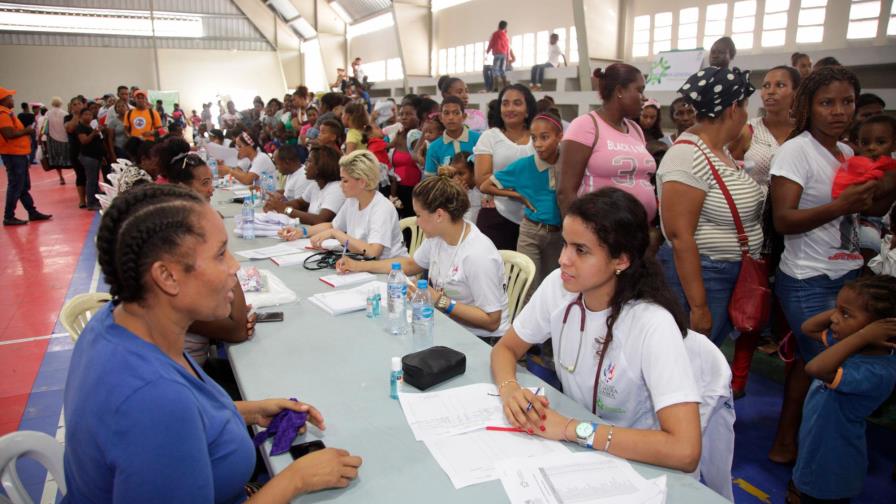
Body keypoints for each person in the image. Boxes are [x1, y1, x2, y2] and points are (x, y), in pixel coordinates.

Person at [64, 184, 362, 502]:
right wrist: (296, 479)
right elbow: (162, 416)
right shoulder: (153, 401)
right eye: (220, 254)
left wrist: (251, 411)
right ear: (167, 276)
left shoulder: (114, 323)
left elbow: (183, 422)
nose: (234, 266)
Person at [489, 188, 701, 472]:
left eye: (581, 250)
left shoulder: (652, 323)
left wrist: (571, 428)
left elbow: (685, 451)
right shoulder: (558, 286)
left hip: (637, 462)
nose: (563, 259)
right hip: (582, 447)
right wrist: (510, 389)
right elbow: (506, 348)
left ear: (621, 260)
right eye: (565, 244)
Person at [767, 65, 896, 464]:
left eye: (847, 102)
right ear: (808, 105)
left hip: (845, 273)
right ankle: (819, 466)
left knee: (808, 365)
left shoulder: (847, 152)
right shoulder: (796, 150)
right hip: (808, 277)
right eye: (827, 103)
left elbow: (865, 210)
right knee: (835, 370)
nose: (839, 111)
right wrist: (841, 205)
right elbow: (783, 220)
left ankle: (787, 443)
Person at [656, 66, 763, 347]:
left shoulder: (719, 150)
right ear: (733, 109)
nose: (746, 115)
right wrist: (699, 306)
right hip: (704, 276)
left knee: (703, 353)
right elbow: (680, 236)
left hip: (721, 273)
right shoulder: (687, 155)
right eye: (745, 107)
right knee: (690, 353)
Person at [336, 175, 510, 341]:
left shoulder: (477, 255)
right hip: (451, 325)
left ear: (439, 215)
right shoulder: (440, 236)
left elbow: (492, 321)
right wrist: (358, 266)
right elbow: (411, 264)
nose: (416, 222)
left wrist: (440, 300)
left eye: (419, 215)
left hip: (481, 339)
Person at [727, 65, 801, 398]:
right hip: (755, 230)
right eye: (766, 85)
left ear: (796, 92)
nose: (770, 91)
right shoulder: (748, 131)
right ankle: (738, 379)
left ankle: (792, 378)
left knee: (789, 308)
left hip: (796, 230)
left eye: (780, 85)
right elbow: (728, 171)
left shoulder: (806, 134)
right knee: (752, 304)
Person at [790, 277, 896, 503]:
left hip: (833, 465)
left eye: (846, 314)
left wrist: (863, 335)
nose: (834, 318)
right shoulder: (853, 348)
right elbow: (808, 328)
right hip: (815, 451)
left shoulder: (877, 371)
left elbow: (815, 368)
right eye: (837, 310)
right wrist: (845, 312)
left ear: (878, 330)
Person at [557, 64, 656, 221]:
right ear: (620, 91)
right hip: (598, 229)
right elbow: (566, 193)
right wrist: (578, 232)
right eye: (639, 90)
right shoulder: (585, 125)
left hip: (637, 230)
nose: (644, 98)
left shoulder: (635, 129)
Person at [480, 112, 564, 293]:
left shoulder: (568, 164)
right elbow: (485, 186)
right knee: (527, 286)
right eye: (534, 138)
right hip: (531, 233)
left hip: (558, 234)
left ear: (559, 137)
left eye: (545, 137)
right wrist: (518, 196)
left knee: (552, 287)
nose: (538, 144)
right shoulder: (524, 165)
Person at [285, 150, 407, 260]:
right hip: (363, 264)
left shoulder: (381, 208)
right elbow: (333, 225)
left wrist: (336, 233)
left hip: (388, 270)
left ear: (362, 182)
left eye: (345, 180)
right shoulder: (353, 200)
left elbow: (373, 252)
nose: (340, 185)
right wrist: (302, 231)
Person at [474, 84, 537, 251]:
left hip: (535, 218)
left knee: (529, 267)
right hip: (497, 216)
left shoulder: (538, 136)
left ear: (528, 109)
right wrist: (517, 193)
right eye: (505, 103)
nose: (510, 108)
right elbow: (482, 180)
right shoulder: (490, 137)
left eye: (517, 103)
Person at [1, 87, 51, 225]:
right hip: (13, 155)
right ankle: (8, 216)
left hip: (18, 154)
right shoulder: (3, 115)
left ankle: (32, 212)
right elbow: (9, 134)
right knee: (16, 185)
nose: (12, 99)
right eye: (10, 97)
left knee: (22, 186)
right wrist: (27, 131)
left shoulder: (8, 113)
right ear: (3, 100)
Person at [263, 145, 344, 225]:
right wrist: (275, 205)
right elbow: (299, 203)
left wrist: (285, 209)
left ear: (321, 165)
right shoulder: (315, 185)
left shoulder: (336, 189)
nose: (305, 164)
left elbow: (320, 220)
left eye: (309, 161)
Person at [424, 96, 481, 174]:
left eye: (456, 113)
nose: (451, 117)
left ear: (464, 116)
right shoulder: (434, 147)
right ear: (440, 118)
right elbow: (430, 178)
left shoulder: (479, 139)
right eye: (446, 113)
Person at [75, 107, 107, 211]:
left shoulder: (91, 126)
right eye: (86, 114)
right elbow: (84, 141)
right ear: (81, 116)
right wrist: (94, 133)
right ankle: (91, 203)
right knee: (91, 180)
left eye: (90, 114)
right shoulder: (80, 127)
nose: (88, 116)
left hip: (96, 156)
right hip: (89, 156)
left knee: (95, 179)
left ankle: (95, 199)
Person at [45, 97, 71, 179]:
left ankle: (61, 177)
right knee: (68, 158)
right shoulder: (65, 113)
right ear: (61, 104)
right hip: (64, 139)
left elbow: (45, 127)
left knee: (56, 159)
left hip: (52, 139)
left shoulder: (48, 113)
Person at [487, 20, 515, 91]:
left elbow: (491, 43)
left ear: (498, 26)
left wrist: (488, 50)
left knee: (495, 71)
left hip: (497, 54)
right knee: (502, 71)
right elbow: (508, 48)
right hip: (504, 55)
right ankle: (505, 87)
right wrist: (507, 58)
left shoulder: (495, 34)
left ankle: (496, 88)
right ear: (505, 28)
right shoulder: (506, 36)